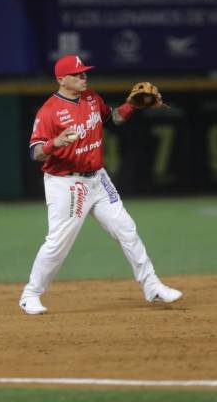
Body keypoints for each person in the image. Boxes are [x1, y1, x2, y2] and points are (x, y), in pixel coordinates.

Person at [19, 54, 183, 314]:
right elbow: (35, 152)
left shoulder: (92, 98)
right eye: (78, 74)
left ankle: (152, 286)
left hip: (98, 178)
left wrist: (133, 107)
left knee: (126, 229)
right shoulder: (49, 111)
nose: (84, 77)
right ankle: (31, 294)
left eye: (85, 73)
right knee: (59, 241)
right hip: (66, 183)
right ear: (62, 80)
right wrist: (55, 143)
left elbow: (112, 118)